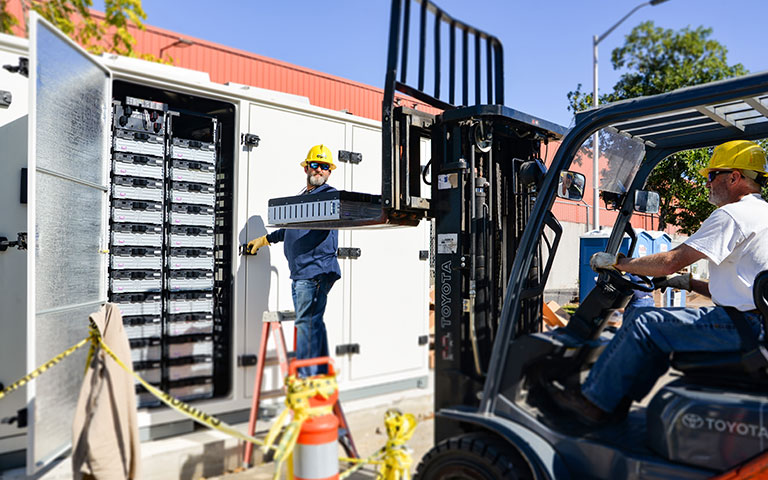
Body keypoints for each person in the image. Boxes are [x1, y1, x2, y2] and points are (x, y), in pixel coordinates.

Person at [552, 140, 768, 425]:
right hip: (752, 323)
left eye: (711, 175)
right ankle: (616, 401)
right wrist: (689, 283)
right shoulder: (762, 214)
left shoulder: (732, 214)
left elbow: (670, 260)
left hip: (744, 328)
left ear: (735, 176)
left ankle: (592, 401)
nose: (707, 183)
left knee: (645, 322)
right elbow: (748, 287)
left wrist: (618, 263)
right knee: (657, 328)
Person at [247, 144, 341, 377]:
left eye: (325, 167)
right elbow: (289, 230)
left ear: (330, 171)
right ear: (306, 168)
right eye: (315, 165)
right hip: (304, 271)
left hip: (315, 270)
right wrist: (265, 240)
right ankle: (319, 375)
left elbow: (328, 219)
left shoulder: (328, 196)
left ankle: (308, 379)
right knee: (313, 322)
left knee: (307, 323)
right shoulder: (303, 199)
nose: (319, 170)